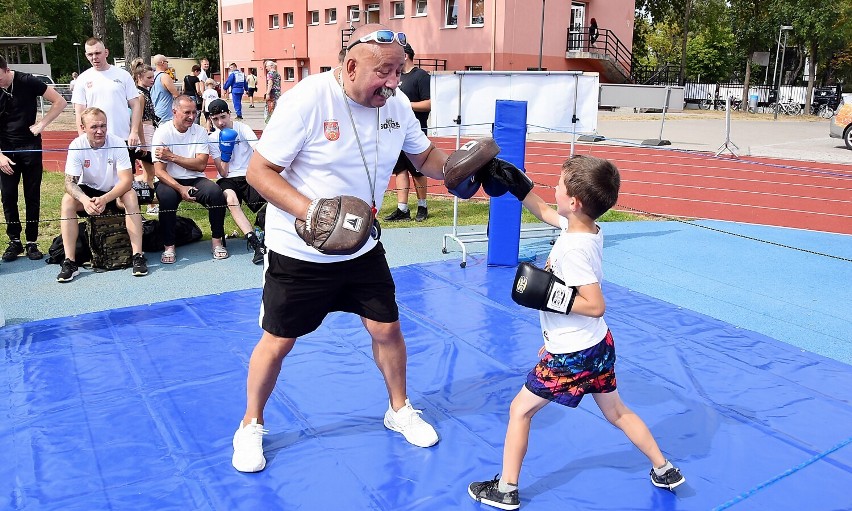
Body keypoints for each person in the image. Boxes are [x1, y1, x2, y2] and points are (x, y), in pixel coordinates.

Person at [231, 24, 467, 473]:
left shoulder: (395, 104)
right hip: (300, 252)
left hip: (361, 247)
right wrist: (313, 212)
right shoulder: (308, 99)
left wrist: (461, 169)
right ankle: (250, 424)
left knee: (387, 330)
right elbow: (260, 172)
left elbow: (424, 158)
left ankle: (399, 410)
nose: (394, 82)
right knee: (278, 342)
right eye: (385, 71)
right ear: (351, 65)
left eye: (400, 70)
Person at [467, 155, 685, 510]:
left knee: (520, 411)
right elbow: (548, 214)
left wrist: (550, 296)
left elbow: (595, 304)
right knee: (616, 411)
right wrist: (519, 187)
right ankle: (664, 468)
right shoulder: (587, 230)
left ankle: (506, 489)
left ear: (575, 202)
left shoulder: (572, 249)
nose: (553, 188)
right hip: (596, 345)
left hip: (573, 355)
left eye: (559, 185)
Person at [58, 107, 147, 282]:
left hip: (114, 192)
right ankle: (70, 262)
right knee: (67, 201)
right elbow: (69, 183)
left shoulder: (117, 143)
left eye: (103, 126)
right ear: (83, 128)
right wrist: (84, 200)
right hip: (89, 191)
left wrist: (106, 198)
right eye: (94, 127)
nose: (100, 131)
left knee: (131, 196)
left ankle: (138, 255)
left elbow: (126, 181)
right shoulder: (77, 145)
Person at [0, 55, 67, 262]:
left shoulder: (27, 81)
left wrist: (43, 124)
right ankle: (14, 241)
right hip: (5, 150)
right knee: (8, 196)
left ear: (6, 69)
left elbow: (60, 101)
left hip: (30, 147)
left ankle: (31, 241)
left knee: (32, 195)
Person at [152, 95, 228, 263]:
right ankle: (169, 246)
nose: (192, 117)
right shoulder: (162, 132)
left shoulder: (200, 131)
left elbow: (201, 165)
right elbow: (159, 171)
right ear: (174, 112)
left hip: (195, 178)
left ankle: (217, 241)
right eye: (187, 112)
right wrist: (180, 188)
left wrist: (171, 156)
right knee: (167, 197)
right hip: (169, 180)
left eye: (195, 112)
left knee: (216, 193)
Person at [71, 37, 143, 175]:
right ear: (86, 56)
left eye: (97, 53)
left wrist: (134, 131)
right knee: (99, 179)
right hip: (96, 139)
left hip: (122, 138)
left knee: (126, 181)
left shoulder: (123, 75)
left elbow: (136, 105)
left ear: (106, 53)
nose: (94, 57)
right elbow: (79, 111)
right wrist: (83, 137)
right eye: (90, 54)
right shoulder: (82, 79)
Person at [207, 99, 266, 264]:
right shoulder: (212, 138)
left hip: (248, 176)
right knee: (230, 199)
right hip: (227, 179)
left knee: (269, 199)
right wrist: (226, 150)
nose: (220, 122)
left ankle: (267, 234)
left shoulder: (243, 128)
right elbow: (222, 172)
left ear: (229, 114)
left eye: (223, 117)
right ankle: (254, 242)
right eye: (215, 119)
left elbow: (258, 152)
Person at [384, 43, 431, 223]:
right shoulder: (395, 77)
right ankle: (402, 209)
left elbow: (429, 103)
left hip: (415, 131)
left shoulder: (421, 76)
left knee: (418, 171)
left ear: (405, 56)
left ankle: (422, 206)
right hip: (396, 132)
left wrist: (404, 106)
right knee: (400, 170)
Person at [130, 58, 158, 190]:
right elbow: (138, 120)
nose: (152, 79)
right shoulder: (140, 95)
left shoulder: (145, 93)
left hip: (150, 130)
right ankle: (151, 204)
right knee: (150, 172)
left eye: (153, 76)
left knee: (150, 172)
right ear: (139, 77)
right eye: (149, 77)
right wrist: (143, 143)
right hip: (145, 132)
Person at [150, 54, 179, 123]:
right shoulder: (165, 76)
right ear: (163, 63)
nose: (167, 64)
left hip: (155, 112)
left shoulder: (152, 76)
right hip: (165, 115)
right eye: (167, 62)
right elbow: (176, 95)